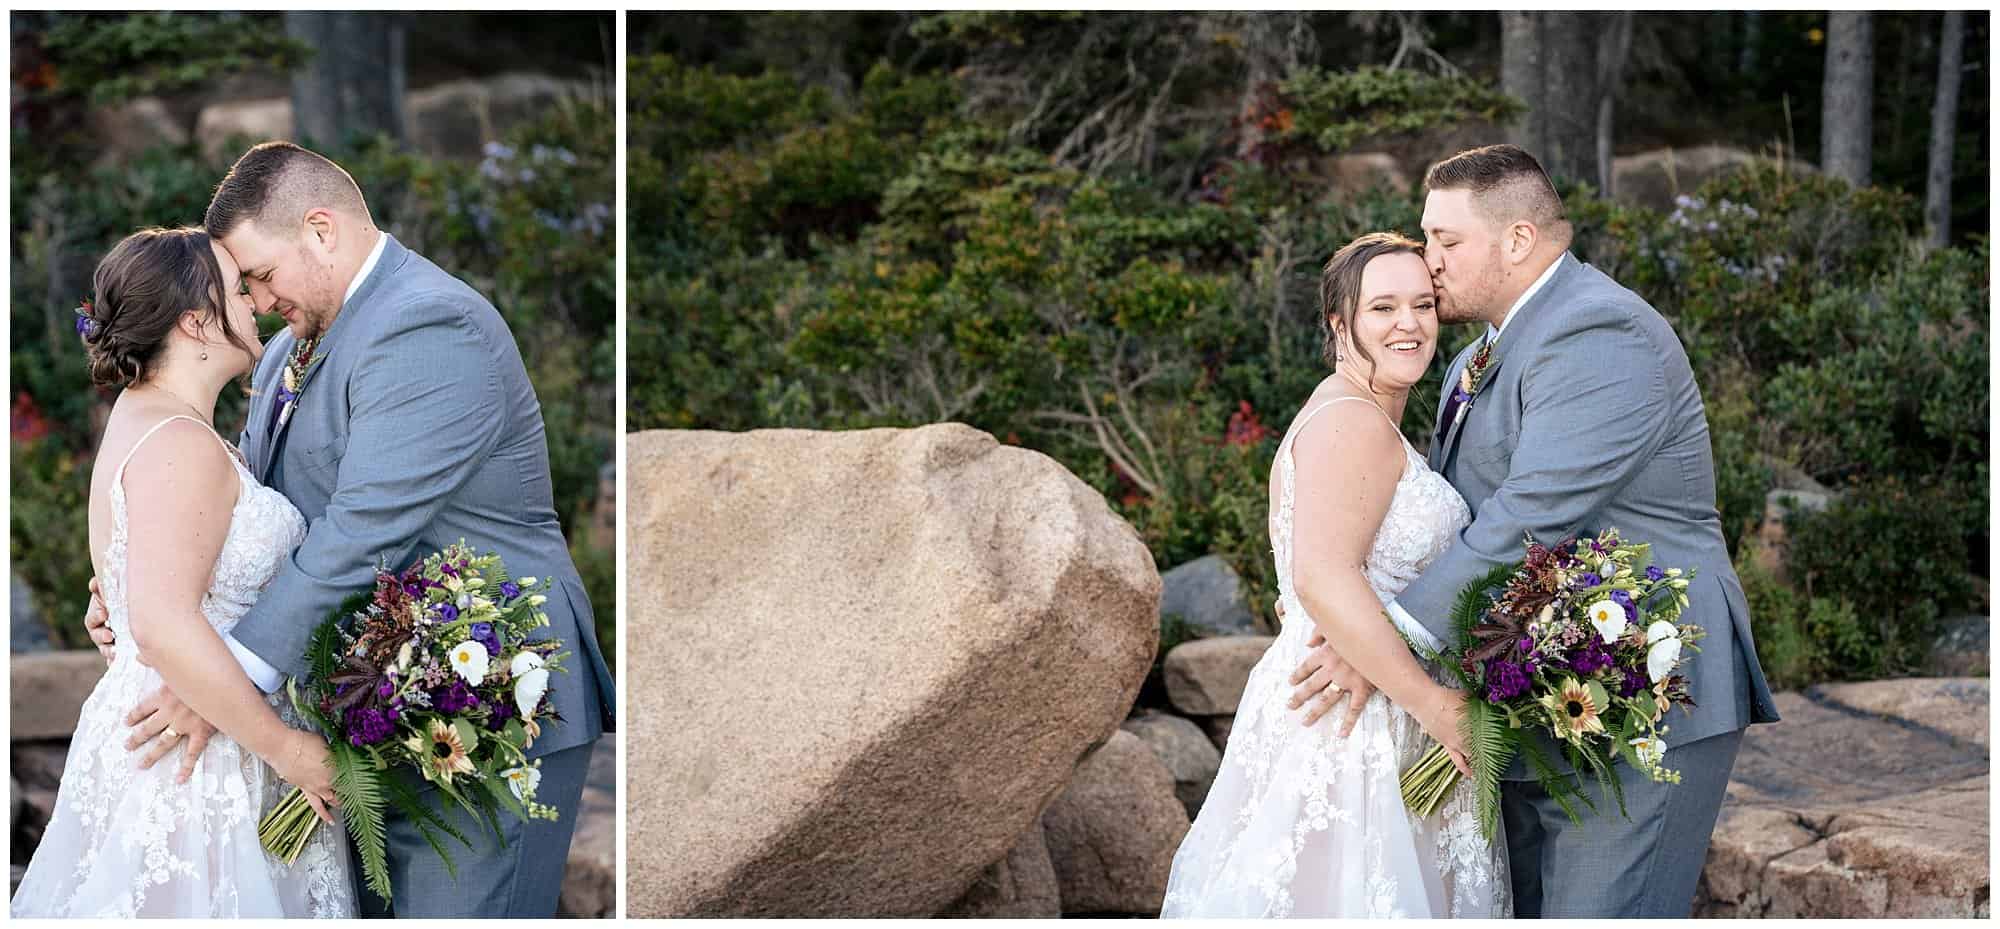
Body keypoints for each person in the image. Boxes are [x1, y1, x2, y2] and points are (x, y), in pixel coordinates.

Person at [80, 141, 617, 917]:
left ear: (321, 230)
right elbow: (241, 520)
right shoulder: (278, 360)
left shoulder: (430, 325)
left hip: (486, 705)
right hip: (361, 716)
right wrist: (142, 588)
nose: (256, 301)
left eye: (259, 275)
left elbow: (361, 529)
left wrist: (214, 678)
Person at [1284, 144, 1780, 917]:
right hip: (1527, 696)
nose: (1429, 260)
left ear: (1518, 239)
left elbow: (1530, 516)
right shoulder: (1473, 357)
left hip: (1641, 694)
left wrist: (1380, 638)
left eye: (1446, 240)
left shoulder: (1600, 332)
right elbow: (1444, 522)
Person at [1161, 232, 1509, 918]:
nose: (1408, 323)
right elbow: (1321, 577)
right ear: (1338, 322)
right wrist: (1433, 705)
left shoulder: (1353, 412)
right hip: (1356, 722)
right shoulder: (1352, 423)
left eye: (1422, 304)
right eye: (1382, 307)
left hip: (1359, 698)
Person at [14, 227, 354, 918]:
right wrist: (287, 749)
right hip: (198, 757)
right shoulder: (181, 443)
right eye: (238, 289)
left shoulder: (142, 417)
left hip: (179, 727)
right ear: (196, 319)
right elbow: (166, 625)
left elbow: (147, 592)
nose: (256, 300)